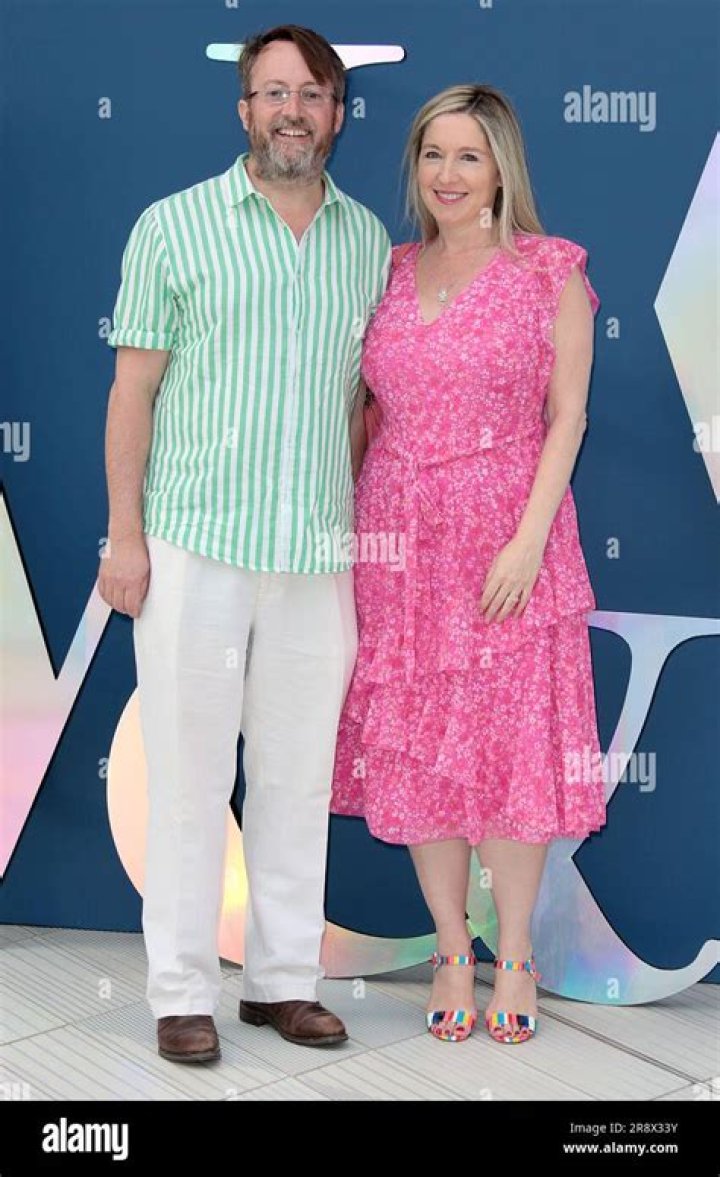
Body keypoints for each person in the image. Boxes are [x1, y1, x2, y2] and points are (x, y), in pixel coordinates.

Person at [97, 24, 391, 1062]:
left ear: (338, 113)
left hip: (315, 558)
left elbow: (358, 403)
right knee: (188, 777)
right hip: (195, 545)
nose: (291, 112)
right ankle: (182, 992)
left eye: (311, 95)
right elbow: (132, 392)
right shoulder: (172, 227)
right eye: (273, 93)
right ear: (244, 111)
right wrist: (125, 537)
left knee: (297, 778)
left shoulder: (366, 242)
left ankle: (280, 983)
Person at [331, 84, 606, 1045]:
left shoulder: (548, 270)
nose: (447, 175)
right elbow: (361, 409)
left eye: (468, 156)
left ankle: (515, 952)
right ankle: (453, 947)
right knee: (420, 752)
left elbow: (567, 415)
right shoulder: (388, 270)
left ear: (500, 170)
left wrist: (528, 540)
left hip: (507, 541)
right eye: (432, 154)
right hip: (400, 547)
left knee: (513, 746)